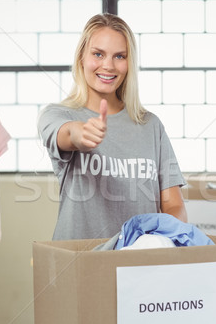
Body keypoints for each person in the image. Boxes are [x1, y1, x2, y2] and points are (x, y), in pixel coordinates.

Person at [38, 13, 187, 240]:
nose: (108, 66)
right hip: (78, 264)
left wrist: (158, 242)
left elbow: (174, 206)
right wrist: (80, 133)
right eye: (98, 54)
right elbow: (64, 133)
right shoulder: (58, 115)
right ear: (81, 58)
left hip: (137, 264)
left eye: (119, 56)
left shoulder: (150, 125)